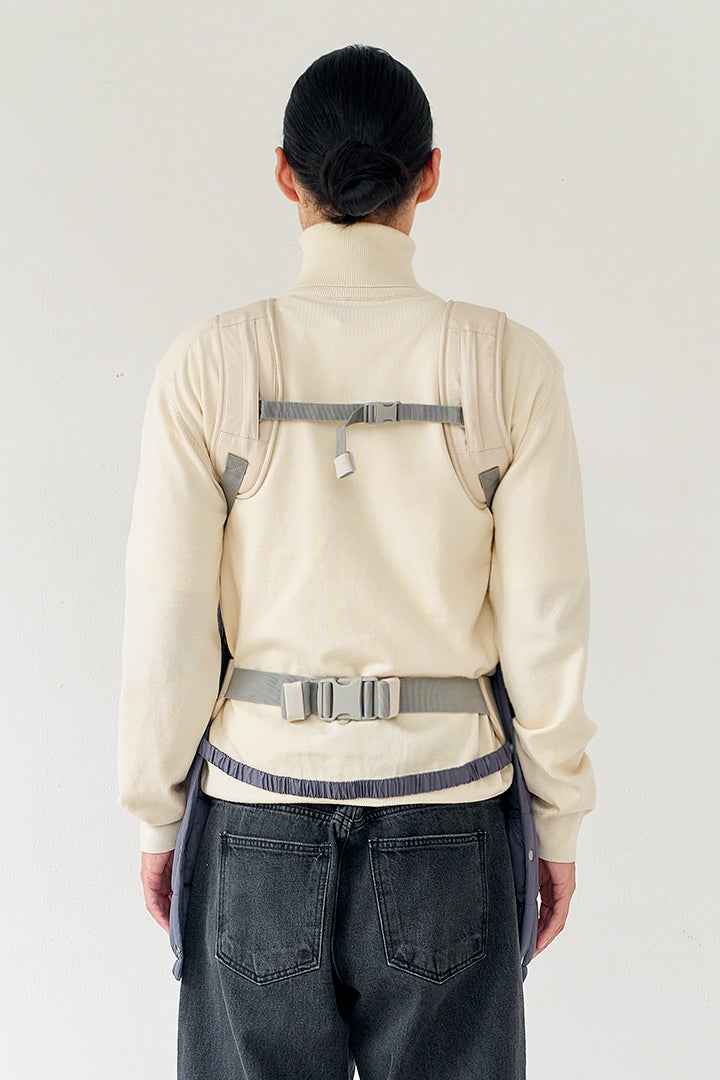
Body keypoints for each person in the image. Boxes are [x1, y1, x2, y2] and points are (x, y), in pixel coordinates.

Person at [118, 43, 597, 1080]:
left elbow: (167, 623)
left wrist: (158, 815)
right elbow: (548, 624)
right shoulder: (509, 364)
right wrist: (558, 823)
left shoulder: (208, 365)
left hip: (256, 816)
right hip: (451, 817)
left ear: (282, 174)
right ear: (430, 174)